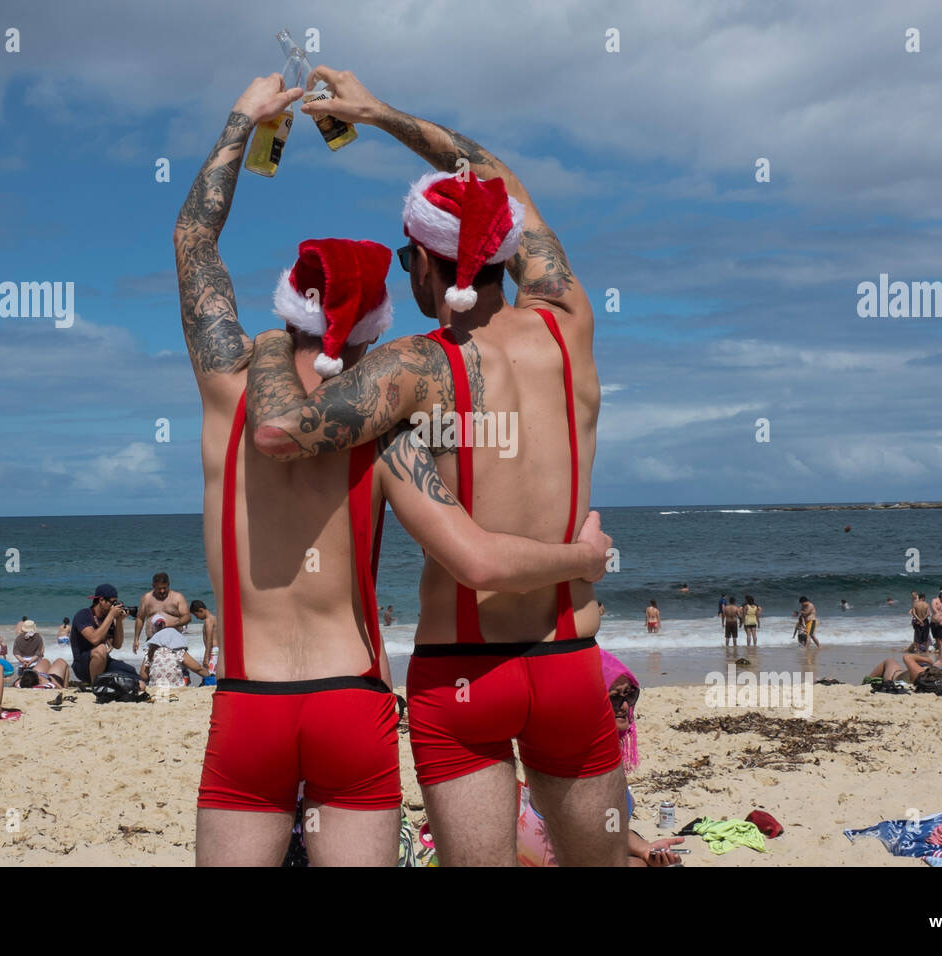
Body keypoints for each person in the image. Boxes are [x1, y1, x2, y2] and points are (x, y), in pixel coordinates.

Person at [178, 79, 615, 867]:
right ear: (505, 246)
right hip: (563, 655)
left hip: (452, 676)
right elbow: (500, 182)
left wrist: (245, 119)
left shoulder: (407, 376)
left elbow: (200, 252)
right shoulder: (569, 316)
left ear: (420, 264)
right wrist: (377, 115)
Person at [517, 652, 684, 867]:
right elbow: (588, 833)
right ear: (588, 700)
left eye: (630, 695)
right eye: (614, 697)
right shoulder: (576, 757)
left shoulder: (600, 749)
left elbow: (605, 827)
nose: (624, 706)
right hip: (548, 855)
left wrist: (645, 849)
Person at [69, 585, 140, 685]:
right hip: (82, 665)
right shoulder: (83, 615)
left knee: (136, 679)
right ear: (101, 600)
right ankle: (96, 687)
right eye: (112, 602)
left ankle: (105, 684)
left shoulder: (107, 619)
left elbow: (117, 645)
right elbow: (94, 639)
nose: (114, 606)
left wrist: (119, 621)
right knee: (101, 649)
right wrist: (111, 615)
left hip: (104, 663)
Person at [140, 615, 212, 690]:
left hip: (155, 688)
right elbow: (198, 668)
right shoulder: (178, 652)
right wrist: (210, 677)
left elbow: (143, 674)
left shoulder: (151, 651)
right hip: (175, 688)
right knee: (185, 672)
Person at [134, 572, 192, 651]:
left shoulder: (178, 597)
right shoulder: (146, 598)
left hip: (173, 641)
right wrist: (136, 639)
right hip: (152, 641)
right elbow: (140, 618)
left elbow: (187, 617)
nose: (162, 591)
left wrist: (171, 624)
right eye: (159, 588)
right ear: (153, 586)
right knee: (149, 663)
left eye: (165, 588)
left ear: (168, 584)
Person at [190, 601, 218, 676]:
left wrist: (206, 657)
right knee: (215, 674)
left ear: (201, 610)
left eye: (196, 615)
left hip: (213, 652)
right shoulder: (215, 618)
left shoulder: (209, 620)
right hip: (217, 651)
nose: (197, 618)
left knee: (210, 674)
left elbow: (209, 639)